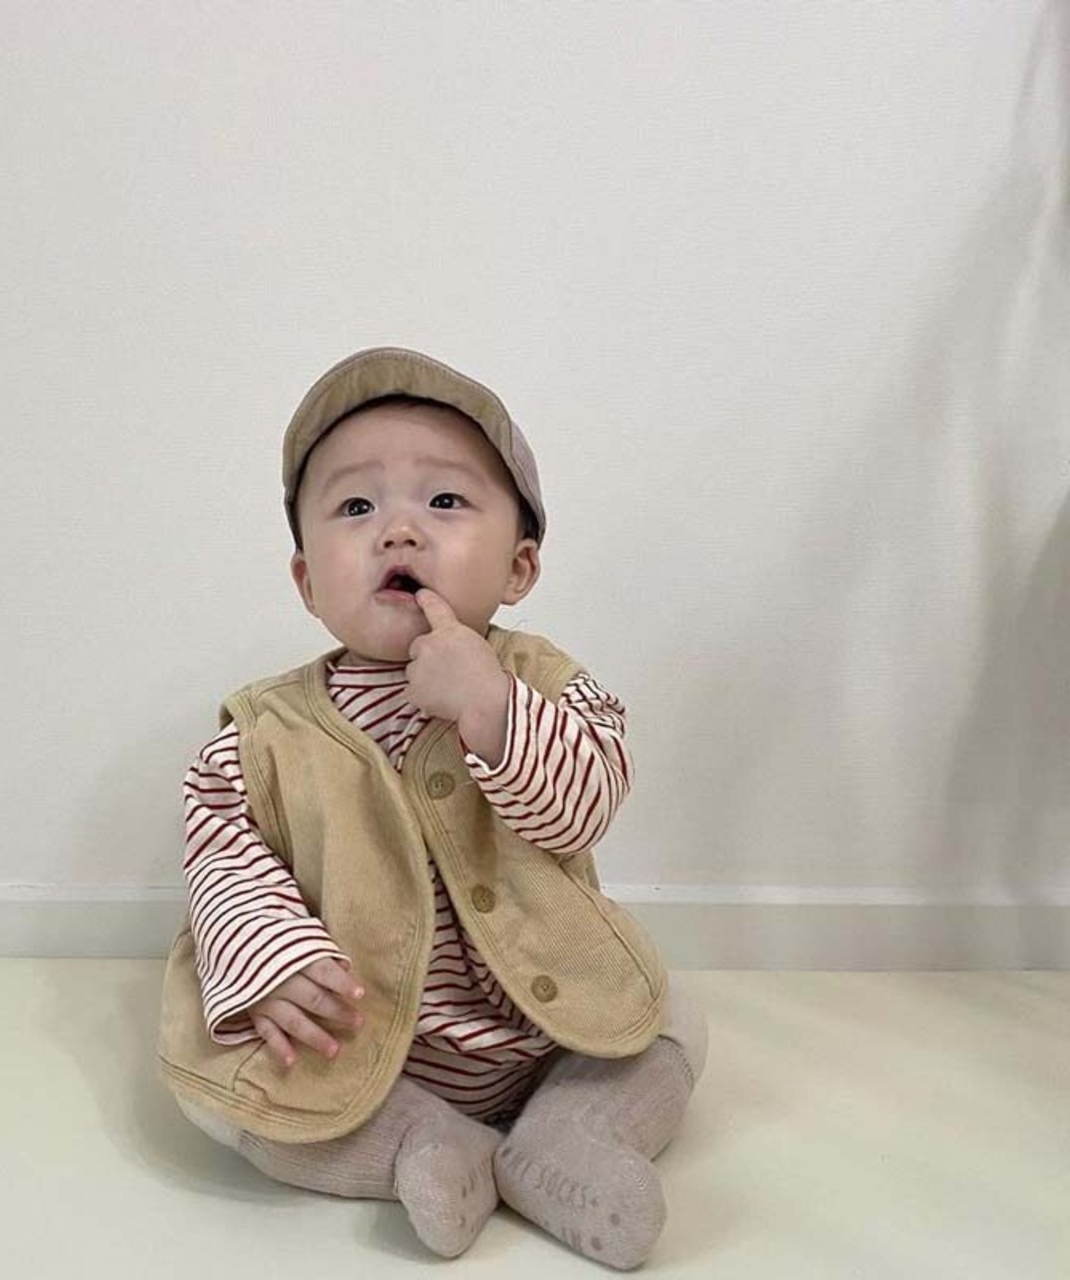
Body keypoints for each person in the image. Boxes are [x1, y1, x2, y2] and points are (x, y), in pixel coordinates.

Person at [158, 346, 707, 1270]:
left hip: (547, 1030)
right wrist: (273, 965)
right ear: (307, 581)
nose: (399, 532)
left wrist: (491, 705)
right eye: (356, 508)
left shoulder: (547, 683)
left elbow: (584, 807)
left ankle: (571, 1136)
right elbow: (221, 853)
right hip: (362, 1047)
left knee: (673, 1020)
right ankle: (422, 1145)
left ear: (519, 567)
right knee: (214, 1085)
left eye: (445, 501)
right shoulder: (262, 732)